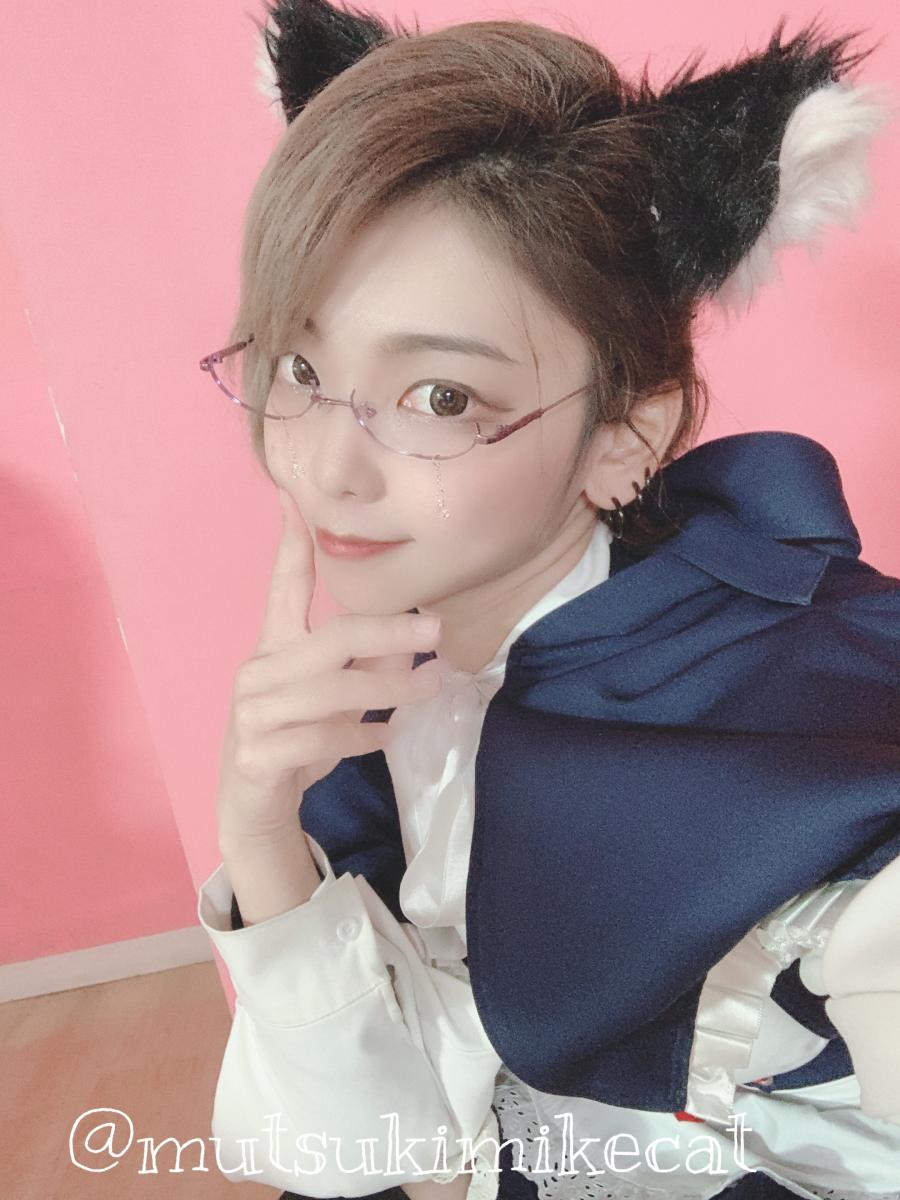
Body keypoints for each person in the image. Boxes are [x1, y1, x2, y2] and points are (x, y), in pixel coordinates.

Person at [195, 3, 900, 1198]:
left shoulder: (805, 717)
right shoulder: (401, 693)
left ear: (629, 435)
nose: (327, 467)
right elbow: (365, 1152)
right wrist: (261, 837)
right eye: (302, 368)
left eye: (441, 398)